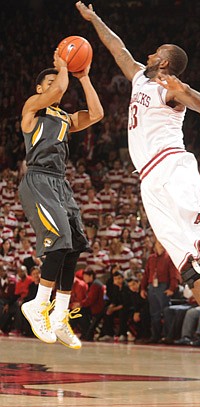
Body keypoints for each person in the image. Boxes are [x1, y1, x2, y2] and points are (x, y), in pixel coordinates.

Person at [77, 1, 200, 369]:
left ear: (165, 62)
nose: (149, 52)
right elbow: (118, 49)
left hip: (174, 167)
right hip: (149, 180)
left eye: (157, 51)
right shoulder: (141, 76)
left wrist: (186, 90)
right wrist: (94, 19)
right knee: (185, 260)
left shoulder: (171, 88)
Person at [19, 48, 103, 349]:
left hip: (60, 183)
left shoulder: (64, 117)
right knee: (59, 239)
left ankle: (60, 314)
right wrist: (62, 68)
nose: (57, 85)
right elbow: (59, 87)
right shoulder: (32, 107)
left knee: (74, 245)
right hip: (38, 179)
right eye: (51, 82)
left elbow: (96, 114)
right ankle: (37, 304)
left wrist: (85, 77)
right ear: (40, 89)